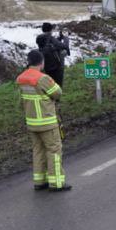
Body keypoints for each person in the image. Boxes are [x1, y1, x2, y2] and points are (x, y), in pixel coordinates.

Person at [16, 49, 70, 192]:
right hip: (47, 122)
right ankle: (57, 183)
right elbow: (58, 93)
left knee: (38, 151)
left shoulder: (21, 79)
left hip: (32, 123)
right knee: (54, 151)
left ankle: (40, 181)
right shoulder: (43, 78)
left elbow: (20, 102)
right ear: (41, 62)